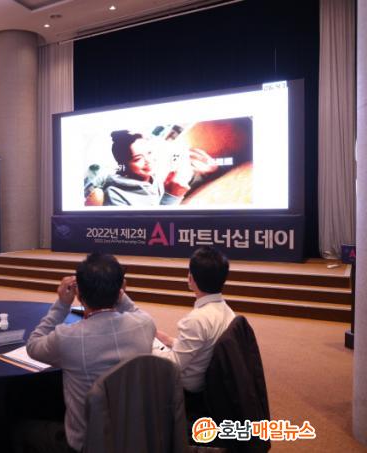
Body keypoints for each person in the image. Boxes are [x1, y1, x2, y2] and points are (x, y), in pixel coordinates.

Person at [23, 253, 156, 452]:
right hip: (134, 436)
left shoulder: (67, 337)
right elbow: (133, 309)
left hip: (86, 443)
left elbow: (33, 345)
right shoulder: (145, 324)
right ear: (122, 288)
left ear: (79, 294)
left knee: (21, 428)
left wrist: (61, 305)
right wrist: (118, 291)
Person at [153, 246, 236, 393]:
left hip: (188, 390)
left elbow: (173, 365)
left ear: (190, 278)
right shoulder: (228, 311)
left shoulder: (197, 320)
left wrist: (148, 346)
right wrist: (169, 340)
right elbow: (202, 346)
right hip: (209, 381)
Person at [85, 129, 217, 207]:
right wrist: (171, 197)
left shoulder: (153, 177)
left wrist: (205, 172)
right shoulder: (115, 196)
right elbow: (146, 233)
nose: (148, 161)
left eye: (149, 153)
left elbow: (181, 185)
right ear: (124, 164)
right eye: (138, 159)